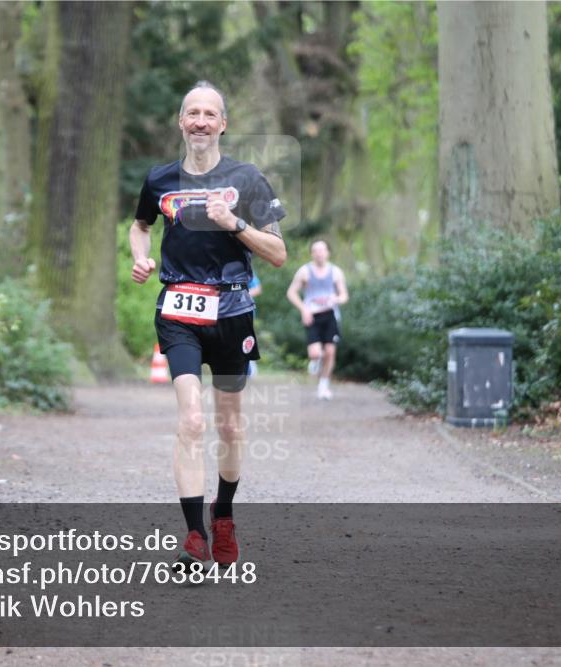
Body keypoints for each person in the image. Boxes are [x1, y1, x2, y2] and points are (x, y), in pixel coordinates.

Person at [130, 81, 287, 570]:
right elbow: (140, 226)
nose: (200, 121)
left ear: (223, 124)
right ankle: (195, 535)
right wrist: (141, 258)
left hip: (232, 311)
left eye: (209, 113)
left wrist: (233, 224)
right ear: (181, 122)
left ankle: (224, 514)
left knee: (229, 425)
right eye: (191, 113)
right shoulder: (159, 179)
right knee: (192, 421)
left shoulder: (248, 179)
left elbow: (279, 254)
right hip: (177, 309)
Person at [286, 239, 348, 400]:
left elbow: (344, 296)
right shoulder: (304, 271)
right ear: (312, 253)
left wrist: (336, 299)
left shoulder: (336, 272)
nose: (319, 253)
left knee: (330, 351)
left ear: (327, 253)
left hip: (330, 315)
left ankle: (323, 385)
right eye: (315, 250)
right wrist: (303, 308)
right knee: (315, 353)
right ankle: (316, 360)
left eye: (322, 250)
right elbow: (291, 293)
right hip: (311, 315)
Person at [247, 276, 262, 378]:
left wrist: (238, 294)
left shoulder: (245, 268)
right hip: (224, 314)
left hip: (246, 313)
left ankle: (250, 365)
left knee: (246, 339)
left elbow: (257, 289)